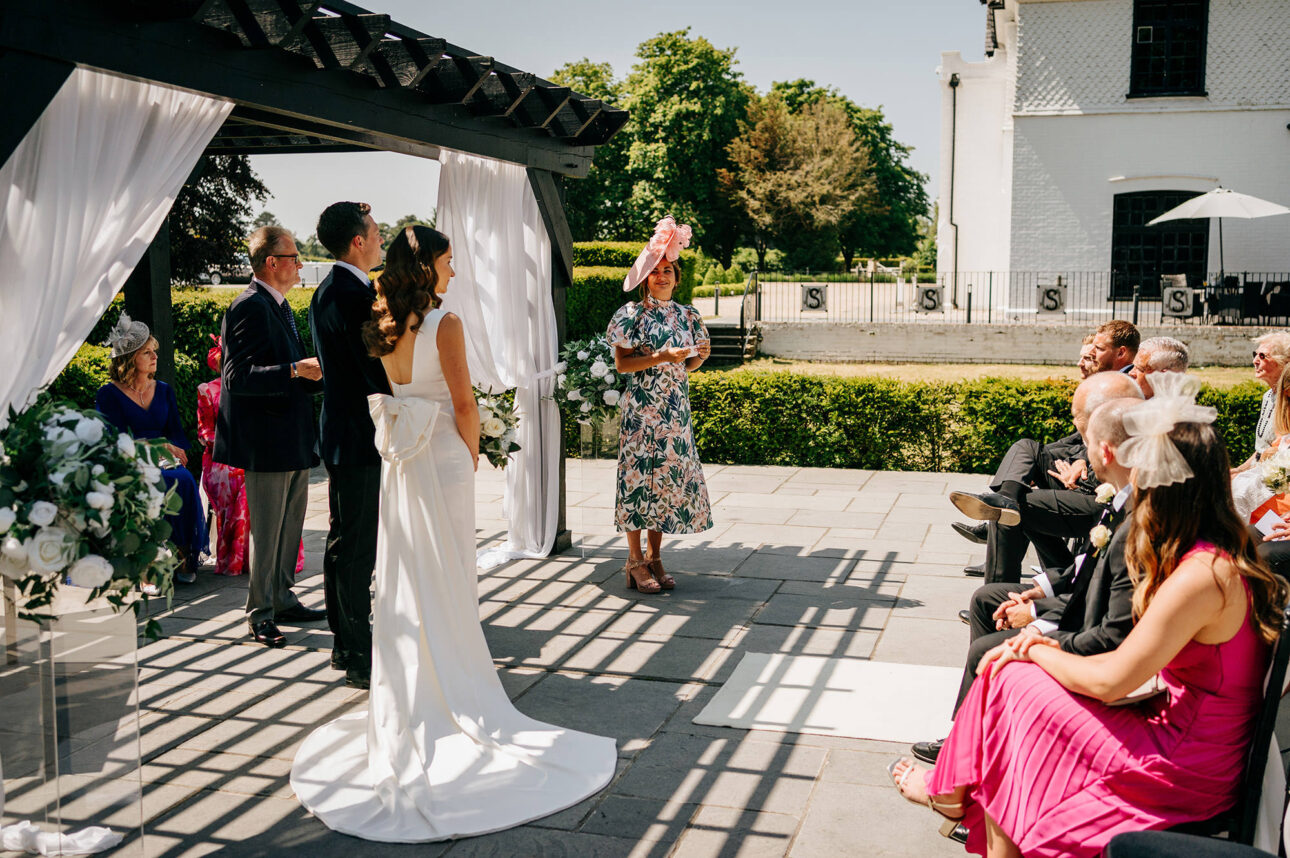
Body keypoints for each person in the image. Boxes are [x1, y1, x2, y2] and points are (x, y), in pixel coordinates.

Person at [290, 225, 616, 842]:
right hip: (440, 455)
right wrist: (471, 453)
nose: (455, 271)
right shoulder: (446, 324)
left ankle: (414, 688)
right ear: (429, 267)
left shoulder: (382, 322)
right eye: (448, 261)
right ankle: (455, 684)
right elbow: (464, 404)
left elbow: (395, 391)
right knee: (449, 571)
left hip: (402, 461)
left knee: (408, 571)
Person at [889, 372, 1288, 858]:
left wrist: (1035, 647)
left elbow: (1111, 682)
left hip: (1183, 762)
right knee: (1013, 686)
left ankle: (954, 796)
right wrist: (1033, 651)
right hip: (1182, 731)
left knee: (1014, 684)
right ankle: (960, 802)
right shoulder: (1209, 552)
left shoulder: (1202, 575)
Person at [911, 395, 1143, 772]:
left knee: (984, 652)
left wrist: (1035, 621)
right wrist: (1043, 588)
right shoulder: (1121, 497)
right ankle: (980, 727)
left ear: (1105, 451)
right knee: (987, 598)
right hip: (1076, 600)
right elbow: (1088, 566)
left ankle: (967, 750)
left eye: (1088, 436)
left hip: (1087, 636)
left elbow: (1107, 617)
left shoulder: (1139, 514)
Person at [214, 226, 326, 649]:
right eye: (294, 257)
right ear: (271, 263)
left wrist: (311, 375)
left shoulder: (278, 305)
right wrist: (296, 370)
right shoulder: (249, 307)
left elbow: (287, 365)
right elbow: (237, 377)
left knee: (290, 527)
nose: (300, 264)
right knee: (266, 530)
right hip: (266, 441)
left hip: (291, 436)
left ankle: (281, 597)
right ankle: (259, 613)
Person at [606, 216, 713, 594]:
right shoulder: (631, 315)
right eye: (656, 271)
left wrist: (699, 356)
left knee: (665, 484)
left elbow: (688, 365)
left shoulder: (688, 315)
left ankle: (655, 557)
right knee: (638, 481)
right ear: (646, 277)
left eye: (668, 271)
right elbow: (622, 365)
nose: (662, 276)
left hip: (675, 413)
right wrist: (661, 357)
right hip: (642, 412)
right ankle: (634, 560)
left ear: (677, 277)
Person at [309, 201, 391, 690]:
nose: (381, 239)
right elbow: (373, 369)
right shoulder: (348, 294)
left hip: (343, 431)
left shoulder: (334, 289)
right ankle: (359, 654)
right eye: (377, 232)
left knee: (344, 542)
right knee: (357, 547)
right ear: (358, 240)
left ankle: (345, 642)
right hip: (358, 435)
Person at [952, 372, 1141, 583]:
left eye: (1093, 352)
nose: (1083, 362)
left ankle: (999, 601)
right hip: (1079, 472)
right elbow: (1077, 442)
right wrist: (1075, 460)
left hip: (1099, 494)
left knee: (1021, 507)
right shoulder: (1112, 388)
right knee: (1026, 448)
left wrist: (1084, 462)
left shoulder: (1132, 400)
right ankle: (1007, 498)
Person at [96, 313, 205, 585]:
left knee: (183, 479)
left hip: (164, 459)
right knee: (150, 482)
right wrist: (154, 447)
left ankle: (183, 556)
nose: (155, 357)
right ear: (130, 357)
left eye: (154, 351)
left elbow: (177, 433)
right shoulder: (108, 394)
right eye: (147, 352)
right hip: (128, 460)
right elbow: (113, 439)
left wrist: (175, 451)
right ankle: (146, 563)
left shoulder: (164, 389)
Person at [196, 335, 304, 578]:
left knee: (260, 476)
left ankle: (260, 559)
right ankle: (240, 560)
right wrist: (232, 444)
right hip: (221, 458)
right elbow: (204, 433)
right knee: (246, 479)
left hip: (250, 454)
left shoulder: (251, 387)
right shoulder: (206, 390)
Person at [1231, 331, 1290, 475]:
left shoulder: (1287, 400)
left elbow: (1281, 454)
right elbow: (1261, 451)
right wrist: (1237, 471)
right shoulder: (1267, 396)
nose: (1255, 361)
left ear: (1283, 362)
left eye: (1262, 356)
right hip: (1259, 471)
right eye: (1255, 355)